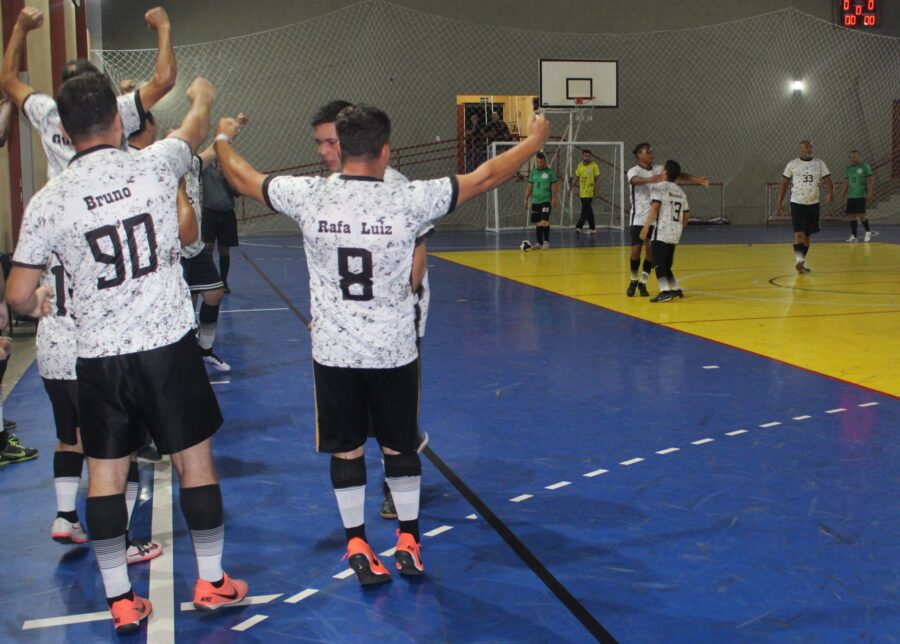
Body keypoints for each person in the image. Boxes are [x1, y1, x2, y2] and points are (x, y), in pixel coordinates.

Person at [216, 104, 549, 584]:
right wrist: (534, 141)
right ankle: (409, 539)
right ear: (385, 150)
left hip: (333, 352)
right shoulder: (409, 199)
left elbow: (244, 178)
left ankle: (356, 541)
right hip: (394, 348)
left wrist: (224, 139)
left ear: (340, 147)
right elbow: (485, 176)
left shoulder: (308, 195)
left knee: (346, 449)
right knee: (400, 446)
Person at [7, 74, 247, 635]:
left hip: (100, 357)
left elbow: (17, 295)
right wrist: (204, 98)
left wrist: (42, 298)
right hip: (166, 347)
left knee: (106, 478)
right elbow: (192, 129)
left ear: (63, 131)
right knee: (195, 464)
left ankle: (120, 599)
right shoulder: (155, 163)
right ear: (121, 123)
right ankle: (211, 581)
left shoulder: (50, 201)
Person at [2, 5, 176, 558]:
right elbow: (165, 80)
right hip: (113, 249)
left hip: (63, 253)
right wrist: (164, 29)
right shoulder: (117, 112)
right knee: (115, 441)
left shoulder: (48, 114)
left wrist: (20, 32)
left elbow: (8, 81)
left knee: (71, 430)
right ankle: (121, 538)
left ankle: (62, 514)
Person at [311, 100, 430, 521]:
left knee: (395, 419)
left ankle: (392, 485)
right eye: (322, 143)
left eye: (332, 142)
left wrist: (392, 303)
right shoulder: (325, 190)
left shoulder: (393, 184)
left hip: (395, 319)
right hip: (349, 330)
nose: (326, 151)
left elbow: (419, 253)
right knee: (357, 426)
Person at [130, 113, 249, 372]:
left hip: (194, 249)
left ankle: (205, 349)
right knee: (179, 307)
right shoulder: (155, 170)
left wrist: (235, 126)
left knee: (214, 294)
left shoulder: (193, 164)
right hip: (171, 252)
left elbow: (216, 148)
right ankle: (175, 358)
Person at [626, 143, 709, 297]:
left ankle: (643, 283)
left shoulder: (659, 169)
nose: (651, 154)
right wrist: (654, 179)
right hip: (638, 217)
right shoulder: (634, 171)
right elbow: (636, 181)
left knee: (651, 252)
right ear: (639, 154)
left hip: (655, 219)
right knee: (635, 251)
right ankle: (633, 280)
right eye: (648, 152)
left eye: (652, 151)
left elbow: (677, 174)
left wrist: (696, 179)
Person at [776, 140, 833, 274]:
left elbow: (828, 180)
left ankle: (802, 261)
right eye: (805, 147)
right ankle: (799, 260)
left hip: (813, 203)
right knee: (799, 234)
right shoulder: (792, 164)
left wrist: (831, 193)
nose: (808, 149)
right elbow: (784, 183)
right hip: (797, 203)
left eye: (810, 147)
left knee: (807, 236)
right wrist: (779, 202)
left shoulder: (819, 163)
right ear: (800, 148)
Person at [640, 160, 690, 303]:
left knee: (657, 263)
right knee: (666, 264)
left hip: (662, 230)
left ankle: (665, 291)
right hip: (675, 232)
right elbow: (686, 216)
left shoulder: (659, 188)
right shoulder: (681, 192)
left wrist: (645, 227)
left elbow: (655, 208)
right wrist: (679, 227)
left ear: (666, 172)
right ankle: (675, 289)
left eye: (662, 169)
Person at [201, 149, 242, 293]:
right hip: (209, 213)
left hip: (227, 214)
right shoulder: (205, 168)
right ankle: (210, 280)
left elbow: (238, 193)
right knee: (208, 247)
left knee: (224, 249)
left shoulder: (230, 169)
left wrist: (226, 176)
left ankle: (223, 281)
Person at [524, 151, 558, 249]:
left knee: (544, 221)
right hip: (535, 201)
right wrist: (526, 199)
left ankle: (546, 241)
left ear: (545, 162)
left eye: (541, 162)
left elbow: (554, 185)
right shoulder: (533, 172)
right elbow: (529, 186)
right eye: (538, 162)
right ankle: (539, 243)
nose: (539, 164)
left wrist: (554, 198)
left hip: (546, 201)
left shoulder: (550, 172)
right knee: (538, 222)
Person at [843, 150, 874, 242]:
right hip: (851, 196)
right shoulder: (849, 168)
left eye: (855, 156)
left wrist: (870, 192)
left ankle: (868, 231)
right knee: (851, 216)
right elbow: (846, 182)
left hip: (861, 195)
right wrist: (843, 194)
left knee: (861, 215)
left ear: (859, 157)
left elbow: (870, 180)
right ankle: (854, 236)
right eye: (851, 157)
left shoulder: (864, 166)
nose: (853, 158)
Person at [570, 149, 600, 234]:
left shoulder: (594, 166)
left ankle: (579, 227)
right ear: (582, 156)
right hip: (582, 193)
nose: (587, 158)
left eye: (588, 156)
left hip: (590, 193)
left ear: (591, 156)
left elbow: (598, 179)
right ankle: (593, 229)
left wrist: (597, 191)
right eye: (585, 156)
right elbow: (576, 177)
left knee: (584, 210)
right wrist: (570, 189)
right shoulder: (580, 165)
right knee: (589, 211)